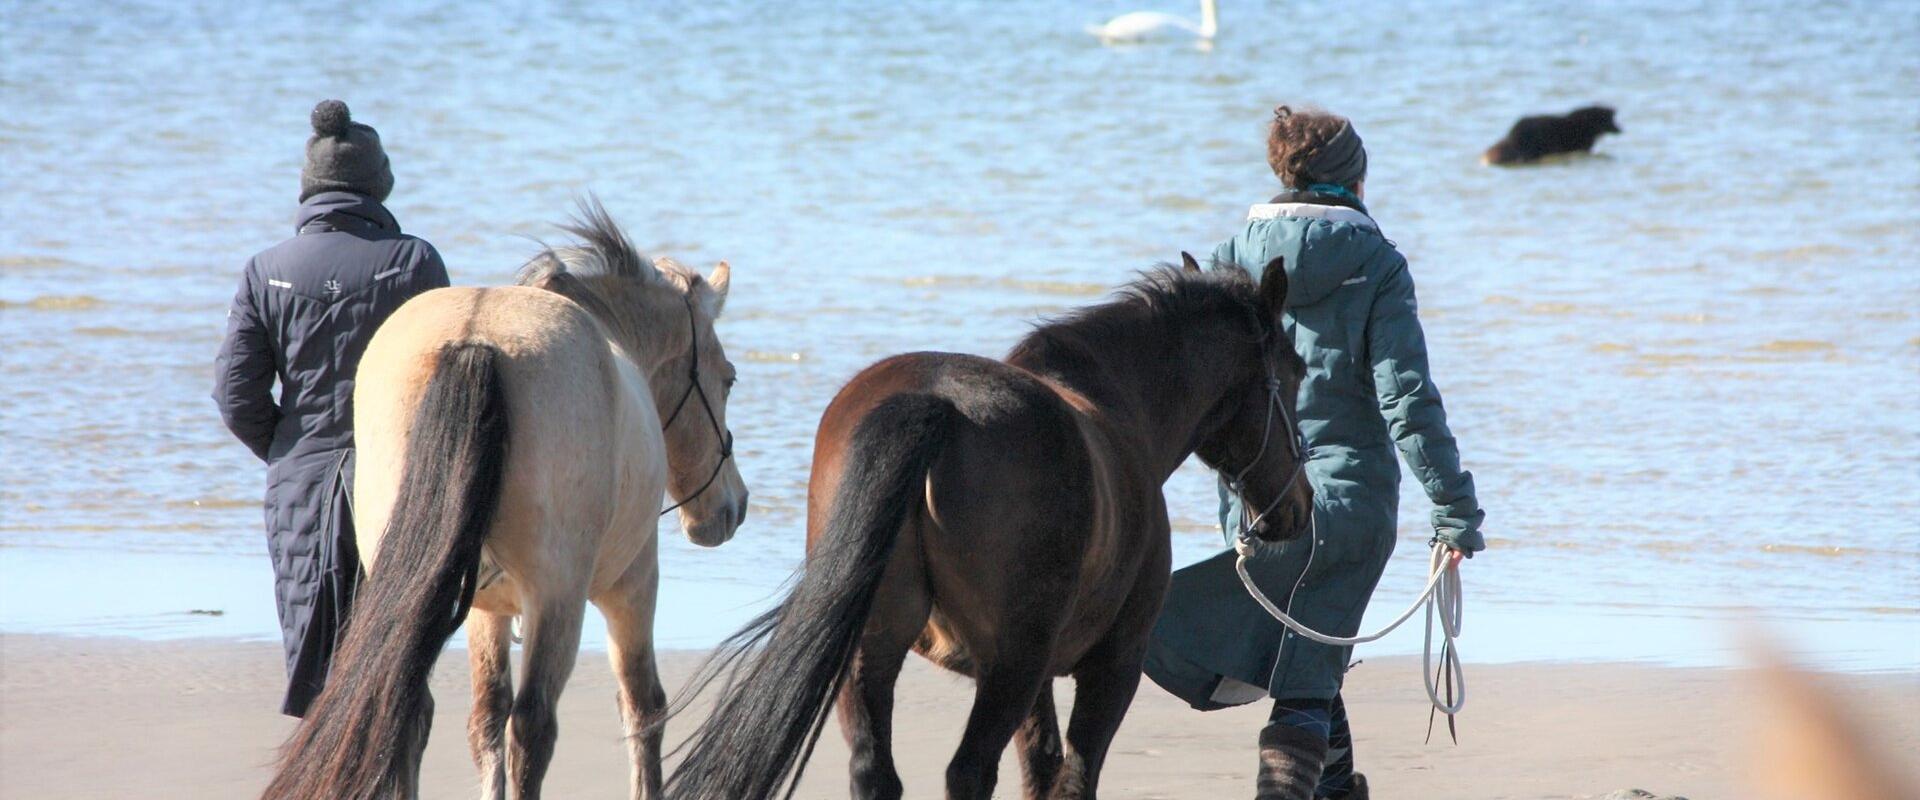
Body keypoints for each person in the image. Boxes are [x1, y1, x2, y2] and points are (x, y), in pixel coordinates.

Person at [1144, 105, 1486, 800]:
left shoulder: (1228, 256)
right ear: (1354, 178)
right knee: (1306, 677)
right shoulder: (1377, 262)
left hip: (1257, 509)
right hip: (1350, 509)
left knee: (1311, 657)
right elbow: (1408, 399)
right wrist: (1454, 510)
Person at [213, 100, 450, 717]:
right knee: (393, 663)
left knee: (315, 667)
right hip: (398, 483)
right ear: (380, 186)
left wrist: (292, 452)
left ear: (308, 188)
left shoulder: (264, 270)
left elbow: (235, 396)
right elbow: (446, 387)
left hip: (301, 485)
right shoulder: (414, 262)